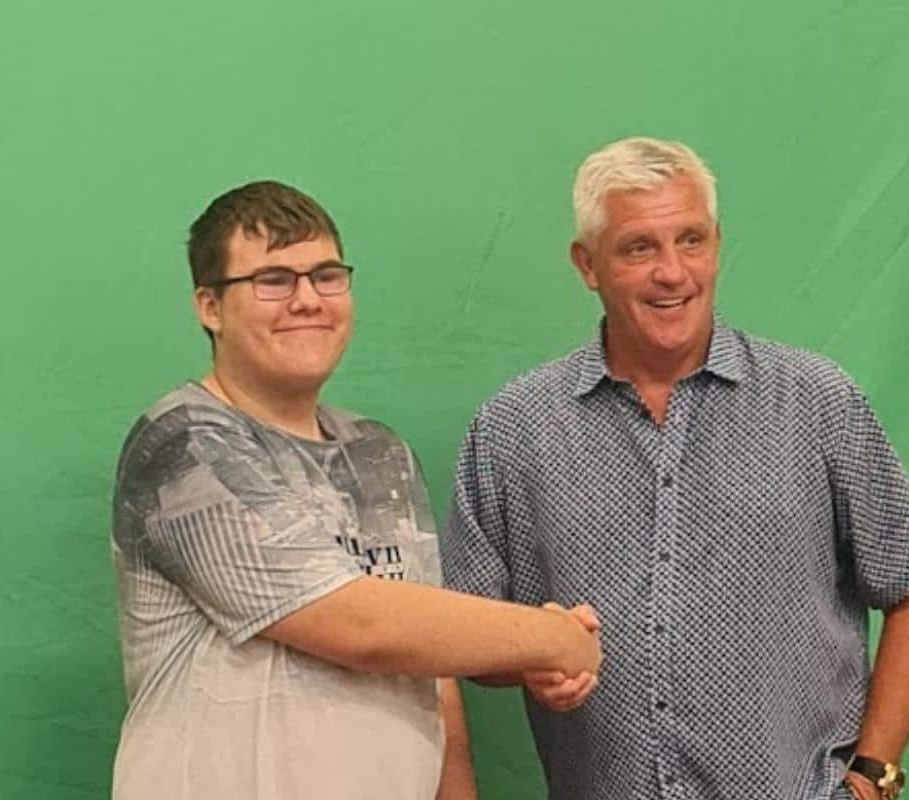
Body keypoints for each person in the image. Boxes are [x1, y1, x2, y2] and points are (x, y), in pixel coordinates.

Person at [441, 138, 909, 800]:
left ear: (717, 245)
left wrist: (875, 776)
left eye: (691, 240)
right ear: (586, 264)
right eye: (638, 248)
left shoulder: (817, 401)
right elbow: (468, 639)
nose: (673, 272)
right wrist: (530, 657)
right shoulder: (512, 429)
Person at [109, 180, 602, 800]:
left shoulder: (381, 455)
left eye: (326, 275)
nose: (307, 299)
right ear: (209, 306)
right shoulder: (182, 444)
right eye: (273, 280)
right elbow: (360, 626)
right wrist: (550, 638)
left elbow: (427, 660)